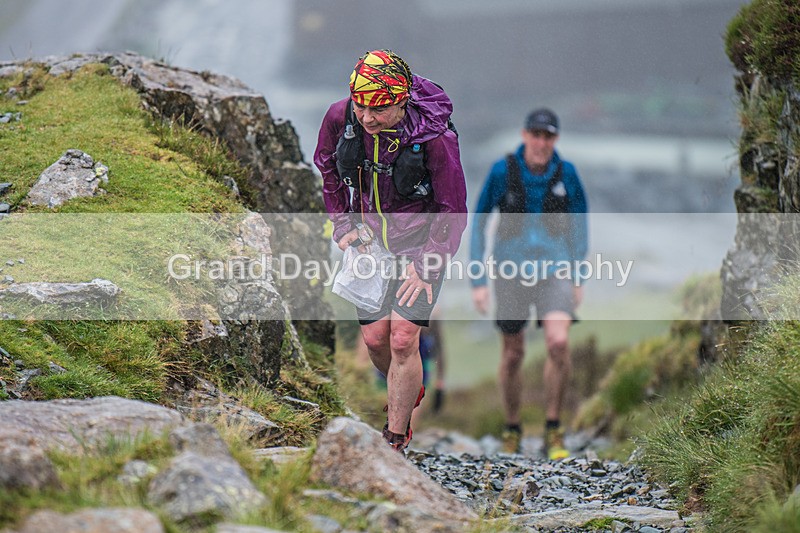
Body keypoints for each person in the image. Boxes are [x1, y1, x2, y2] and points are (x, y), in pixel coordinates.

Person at [315, 50, 467, 453]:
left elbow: (453, 208)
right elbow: (327, 166)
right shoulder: (340, 117)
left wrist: (428, 265)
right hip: (370, 245)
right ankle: (408, 385)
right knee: (374, 340)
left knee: (402, 339)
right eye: (361, 106)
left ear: (401, 102)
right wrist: (343, 223)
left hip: (422, 247)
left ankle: (395, 439)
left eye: (378, 110)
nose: (367, 118)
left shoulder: (435, 137)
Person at [470, 108, 588, 459]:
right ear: (524, 135)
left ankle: (553, 428)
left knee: (558, 343)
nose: (541, 142)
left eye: (548, 136)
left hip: (556, 269)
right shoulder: (502, 171)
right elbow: (478, 222)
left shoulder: (567, 173)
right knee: (513, 354)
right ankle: (512, 428)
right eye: (536, 135)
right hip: (510, 271)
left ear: (556, 139)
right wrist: (478, 280)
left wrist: (578, 275)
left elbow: (580, 224)